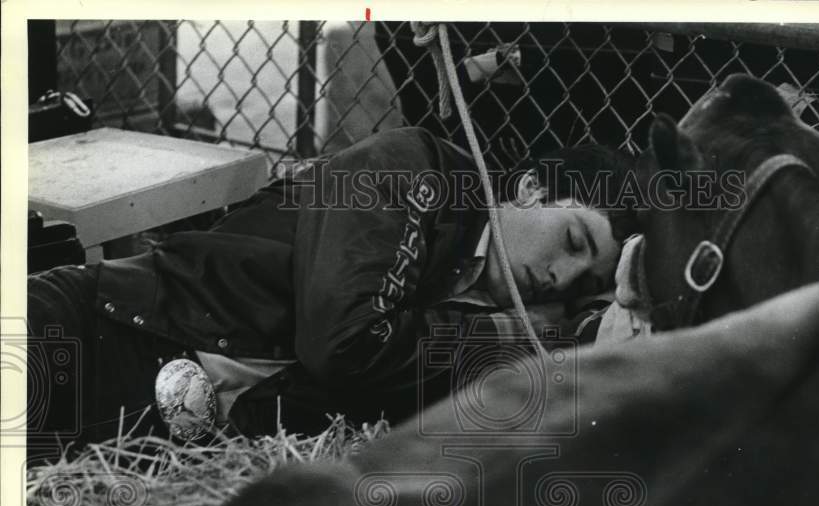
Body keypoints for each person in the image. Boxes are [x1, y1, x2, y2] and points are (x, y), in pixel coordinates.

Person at [27, 125, 640, 460]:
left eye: (583, 282)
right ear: (531, 188)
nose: (561, 276)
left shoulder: (482, 318)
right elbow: (345, 345)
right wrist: (539, 339)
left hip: (136, 447)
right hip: (87, 338)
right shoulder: (412, 170)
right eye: (572, 239)